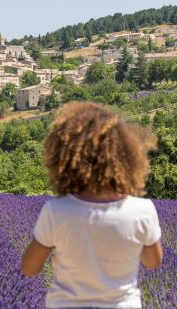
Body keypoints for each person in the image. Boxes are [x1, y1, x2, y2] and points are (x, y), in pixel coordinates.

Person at [21, 102, 163, 309]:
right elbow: (153, 262)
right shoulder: (142, 211)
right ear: (126, 157)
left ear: (67, 159)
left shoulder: (57, 211)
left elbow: (29, 268)